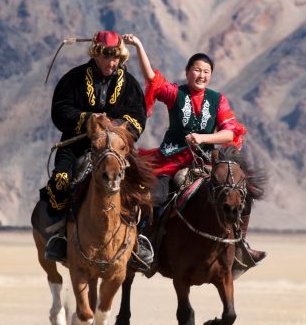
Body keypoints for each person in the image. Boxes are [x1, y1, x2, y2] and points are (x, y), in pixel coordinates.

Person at [123, 33, 266, 264]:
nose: (201, 75)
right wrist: (139, 45)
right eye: (197, 70)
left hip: (205, 162)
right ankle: (142, 242)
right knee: (155, 196)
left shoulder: (217, 100)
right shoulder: (175, 94)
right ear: (188, 72)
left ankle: (240, 243)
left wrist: (203, 138)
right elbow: (151, 77)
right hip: (170, 159)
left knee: (241, 192)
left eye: (206, 72)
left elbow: (230, 132)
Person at [39, 30, 148, 263]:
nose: (112, 62)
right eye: (108, 57)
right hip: (77, 144)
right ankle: (59, 237)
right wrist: (89, 119)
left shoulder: (129, 84)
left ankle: (140, 241)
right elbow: (60, 111)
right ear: (96, 55)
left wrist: (115, 126)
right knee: (61, 180)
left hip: (117, 150)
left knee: (140, 185)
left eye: (116, 57)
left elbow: (139, 118)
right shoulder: (73, 79)